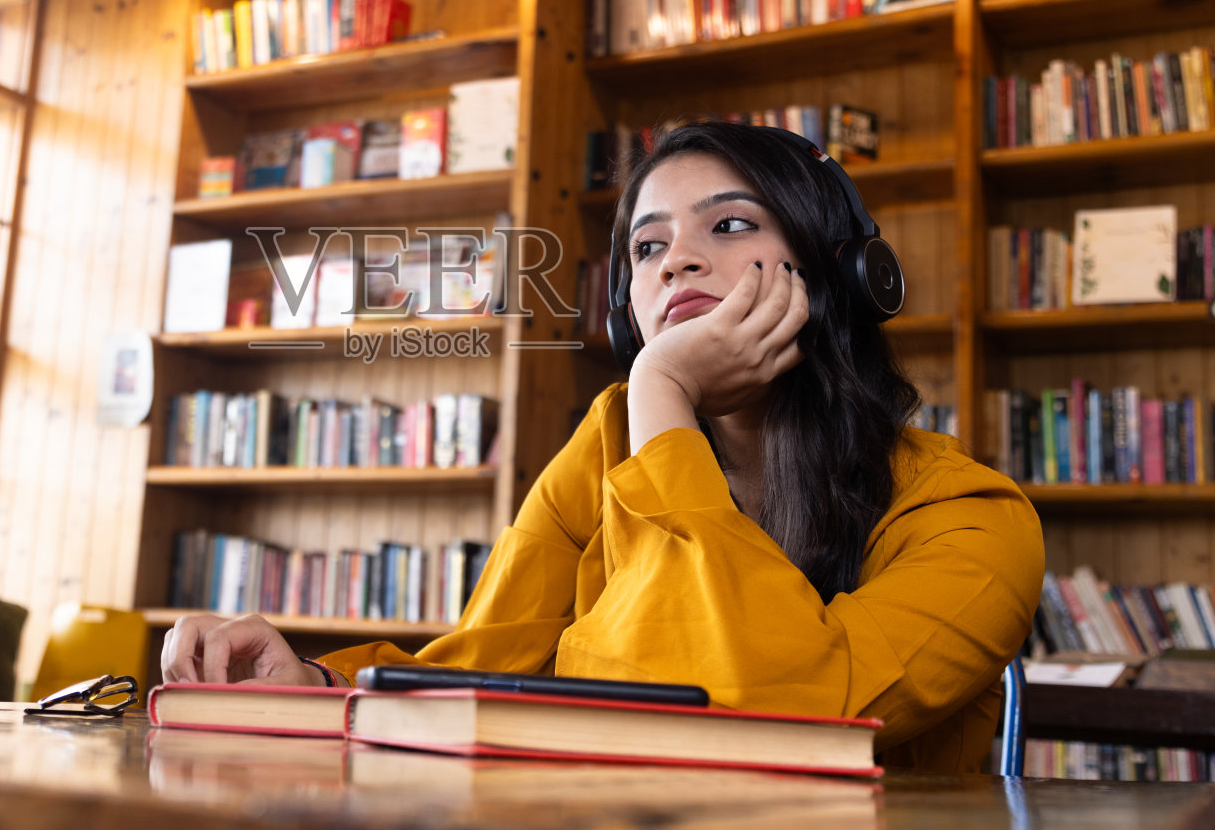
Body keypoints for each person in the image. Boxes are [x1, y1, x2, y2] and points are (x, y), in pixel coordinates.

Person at [162, 121, 1044, 774]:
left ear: (843, 269)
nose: (674, 264)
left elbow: (775, 714)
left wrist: (664, 394)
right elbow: (485, 664)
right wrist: (311, 682)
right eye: (648, 245)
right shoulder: (606, 446)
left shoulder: (973, 521)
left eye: (729, 226)